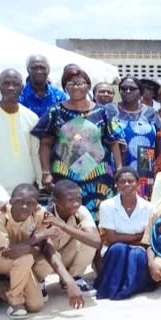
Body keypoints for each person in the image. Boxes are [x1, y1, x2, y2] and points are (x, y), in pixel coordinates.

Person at [0, 184, 84, 319]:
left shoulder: (38, 214)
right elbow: (7, 252)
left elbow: (47, 247)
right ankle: (15, 302)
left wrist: (69, 282)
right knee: (26, 257)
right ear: (11, 201)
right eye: (19, 202)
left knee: (35, 305)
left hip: (21, 260)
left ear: (36, 204)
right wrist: (38, 237)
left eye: (30, 203)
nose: (24, 206)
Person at [32, 66, 123, 216]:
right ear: (65, 87)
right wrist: (46, 172)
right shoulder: (55, 112)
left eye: (80, 83)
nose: (76, 87)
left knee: (99, 214)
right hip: (65, 175)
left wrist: (119, 169)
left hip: (98, 176)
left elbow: (114, 142)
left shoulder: (103, 112)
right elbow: (45, 144)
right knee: (67, 214)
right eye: (71, 83)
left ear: (88, 86)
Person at [96, 168, 154, 300]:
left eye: (130, 181)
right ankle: (114, 288)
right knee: (119, 249)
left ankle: (128, 288)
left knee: (136, 254)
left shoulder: (148, 207)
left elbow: (148, 239)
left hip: (140, 248)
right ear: (116, 184)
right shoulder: (107, 206)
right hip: (114, 250)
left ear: (138, 183)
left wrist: (124, 238)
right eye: (122, 181)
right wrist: (138, 236)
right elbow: (111, 239)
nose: (127, 184)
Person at [43, 180, 102, 296]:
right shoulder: (44, 214)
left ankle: (75, 277)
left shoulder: (81, 211)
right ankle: (40, 281)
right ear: (56, 201)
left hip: (66, 255)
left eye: (78, 199)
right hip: (48, 259)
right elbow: (45, 250)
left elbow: (96, 241)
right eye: (70, 200)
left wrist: (63, 226)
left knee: (88, 242)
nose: (76, 204)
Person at [114, 76, 161, 197]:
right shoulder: (111, 110)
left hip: (145, 162)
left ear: (140, 92)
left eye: (132, 88)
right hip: (118, 162)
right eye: (123, 88)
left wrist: (158, 167)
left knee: (143, 200)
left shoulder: (150, 112)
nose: (127, 91)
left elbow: (160, 136)